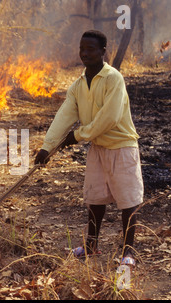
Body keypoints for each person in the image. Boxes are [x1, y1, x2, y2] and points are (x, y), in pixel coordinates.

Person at [35, 30, 144, 268]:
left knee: (128, 201)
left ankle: (129, 252)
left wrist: (78, 136)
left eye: (91, 49)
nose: (85, 53)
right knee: (95, 200)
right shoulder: (77, 86)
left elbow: (110, 118)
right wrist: (47, 147)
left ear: (103, 51)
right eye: (82, 49)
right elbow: (64, 116)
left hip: (122, 147)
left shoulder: (113, 78)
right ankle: (91, 245)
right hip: (98, 148)